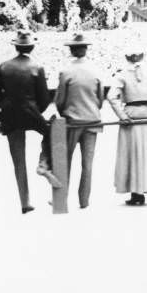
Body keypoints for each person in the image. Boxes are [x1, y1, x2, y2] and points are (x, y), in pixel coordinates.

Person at [0, 31, 61, 214]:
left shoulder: (3, 67)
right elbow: (44, 98)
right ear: (32, 47)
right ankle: (44, 166)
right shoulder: (37, 67)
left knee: (18, 160)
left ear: (16, 46)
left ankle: (25, 202)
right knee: (52, 135)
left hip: (10, 117)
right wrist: (36, 113)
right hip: (32, 114)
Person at [109, 49, 147, 206]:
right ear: (143, 56)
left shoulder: (122, 74)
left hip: (130, 113)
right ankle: (142, 188)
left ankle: (136, 193)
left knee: (131, 153)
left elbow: (111, 96)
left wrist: (122, 115)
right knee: (146, 152)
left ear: (127, 57)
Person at [55, 33, 105, 209]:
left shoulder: (65, 72)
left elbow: (59, 100)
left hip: (72, 121)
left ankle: (61, 201)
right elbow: (100, 99)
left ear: (71, 50)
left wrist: (65, 112)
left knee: (65, 161)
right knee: (87, 165)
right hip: (92, 121)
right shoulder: (96, 70)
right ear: (86, 50)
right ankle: (84, 201)